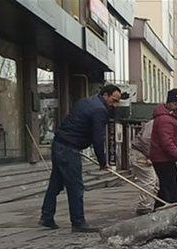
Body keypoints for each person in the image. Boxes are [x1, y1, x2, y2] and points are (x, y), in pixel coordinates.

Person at [39, 84, 121, 232]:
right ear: (105, 96)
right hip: (69, 149)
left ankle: (46, 217)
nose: (114, 105)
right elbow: (98, 139)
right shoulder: (99, 110)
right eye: (113, 101)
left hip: (59, 144)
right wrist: (103, 162)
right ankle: (78, 222)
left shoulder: (86, 102)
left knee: (56, 184)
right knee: (75, 186)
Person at [150, 88, 177, 208]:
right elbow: (167, 143)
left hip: (166, 158)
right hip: (163, 159)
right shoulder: (164, 119)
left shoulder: (169, 118)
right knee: (172, 191)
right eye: (175, 104)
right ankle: (170, 213)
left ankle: (158, 210)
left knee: (165, 189)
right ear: (169, 103)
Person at [130, 118, 157, 215]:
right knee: (149, 180)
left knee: (154, 180)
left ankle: (150, 203)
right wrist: (149, 156)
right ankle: (144, 207)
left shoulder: (155, 122)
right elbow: (146, 139)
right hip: (140, 154)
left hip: (141, 153)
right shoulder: (154, 123)